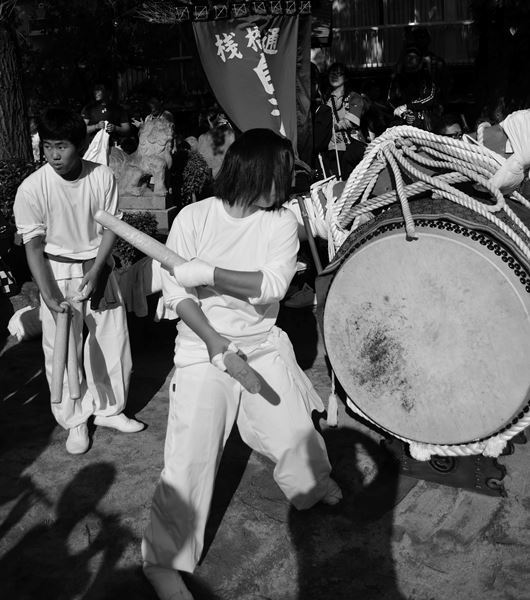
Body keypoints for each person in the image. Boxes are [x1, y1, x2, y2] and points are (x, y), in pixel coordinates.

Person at [141, 128, 341, 600]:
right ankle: (164, 562)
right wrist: (213, 343)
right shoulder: (194, 217)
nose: (286, 184)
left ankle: (311, 488)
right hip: (201, 350)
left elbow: (272, 285)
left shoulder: (280, 223)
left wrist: (208, 272)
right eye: (281, 173)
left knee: (295, 435)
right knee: (191, 455)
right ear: (252, 172)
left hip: (260, 345)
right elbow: (177, 294)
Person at [13, 107, 144, 455]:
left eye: (62, 146)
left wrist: (98, 269)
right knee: (60, 348)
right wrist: (48, 293)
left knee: (111, 340)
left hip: (96, 266)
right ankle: (73, 420)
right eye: (48, 146)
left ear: (80, 144)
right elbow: (34, 247)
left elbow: (110, 229)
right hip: (55, 271)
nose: (54, 155)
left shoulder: (101, 177)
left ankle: (109, 409)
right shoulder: (32, 188)